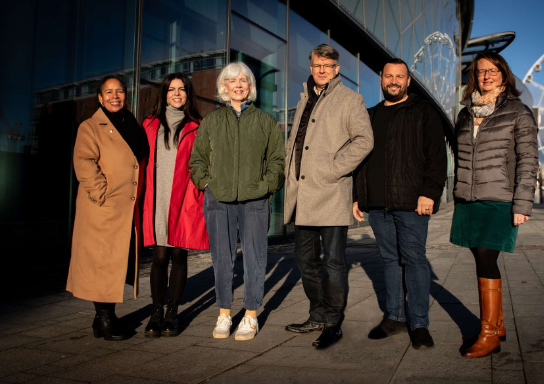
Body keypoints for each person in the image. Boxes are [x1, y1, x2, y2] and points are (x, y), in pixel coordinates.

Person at [284, 44, 374, 349]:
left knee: (334, 262)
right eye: (317, 65)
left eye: (328, 65)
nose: (322, 70)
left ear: (337, 69)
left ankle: (333, 322)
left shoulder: (351, 99)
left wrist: (332, 169)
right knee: (305, 259)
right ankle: (317, 313)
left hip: (331, 192)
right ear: (311, 68)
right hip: (303, 195)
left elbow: (364, 141)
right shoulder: (304, 99)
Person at [353, 58, 447, 349]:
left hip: (411, 203)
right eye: (388, 76)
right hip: (377, 205)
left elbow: (437, 157)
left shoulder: (423, 112)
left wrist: (430, 192)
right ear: (381, 79)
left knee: (415, 261)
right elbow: (359, 159)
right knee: (390, 261)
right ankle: (394, 316)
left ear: (408, 81)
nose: (393, 81)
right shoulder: (369, 115)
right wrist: (357, 195)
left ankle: (419, 323)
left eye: (400, 77)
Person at [450, 52, 538, 357]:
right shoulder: (464, 113)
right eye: (480, 72)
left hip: (500, 198)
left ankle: (488, 334)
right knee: (480, 258)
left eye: (492, 71)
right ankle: (497, 322)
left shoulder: (518, 112)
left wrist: (522, 204)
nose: (486, 76)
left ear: (503, 74)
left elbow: (528, 160)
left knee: (487, 257)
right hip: (469, 197)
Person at [189, 62, 285, 341]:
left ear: (251, 87)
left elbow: (277, 159)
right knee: (221, 258)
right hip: (219, 199)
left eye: (244, 80)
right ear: (224, 87)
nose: (239, 85)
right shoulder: (212, 121)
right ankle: (223, 313)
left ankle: (251, 315)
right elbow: (197, 160)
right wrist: (206, 184)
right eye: (233, 81)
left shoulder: (265, 120)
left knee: (255, 257)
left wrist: (268, 185)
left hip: (255, 200)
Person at [67, 75, 149, 341]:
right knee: (102, 263)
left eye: (120, 91)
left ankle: (106, 318)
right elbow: (84, 162)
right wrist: (102, 192)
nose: (115, 96)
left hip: (124, 209)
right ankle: (104, 321)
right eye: (109, 92)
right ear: (100, 98)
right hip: (103, 207)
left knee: (115, 263)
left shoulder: (130, 124)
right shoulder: (91, 126)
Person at [142, 73, 209, 338]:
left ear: (188, 94)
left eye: (182, 89)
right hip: (157, 198)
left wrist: (198, 189)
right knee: (159, 256)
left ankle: (172, 313)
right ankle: (155, 312)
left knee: (179, 254)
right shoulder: (149, 124)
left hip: (183, 199)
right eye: (172, 89)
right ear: (164, 93)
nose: (177, 93)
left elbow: (205, 162)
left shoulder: (198, 125)